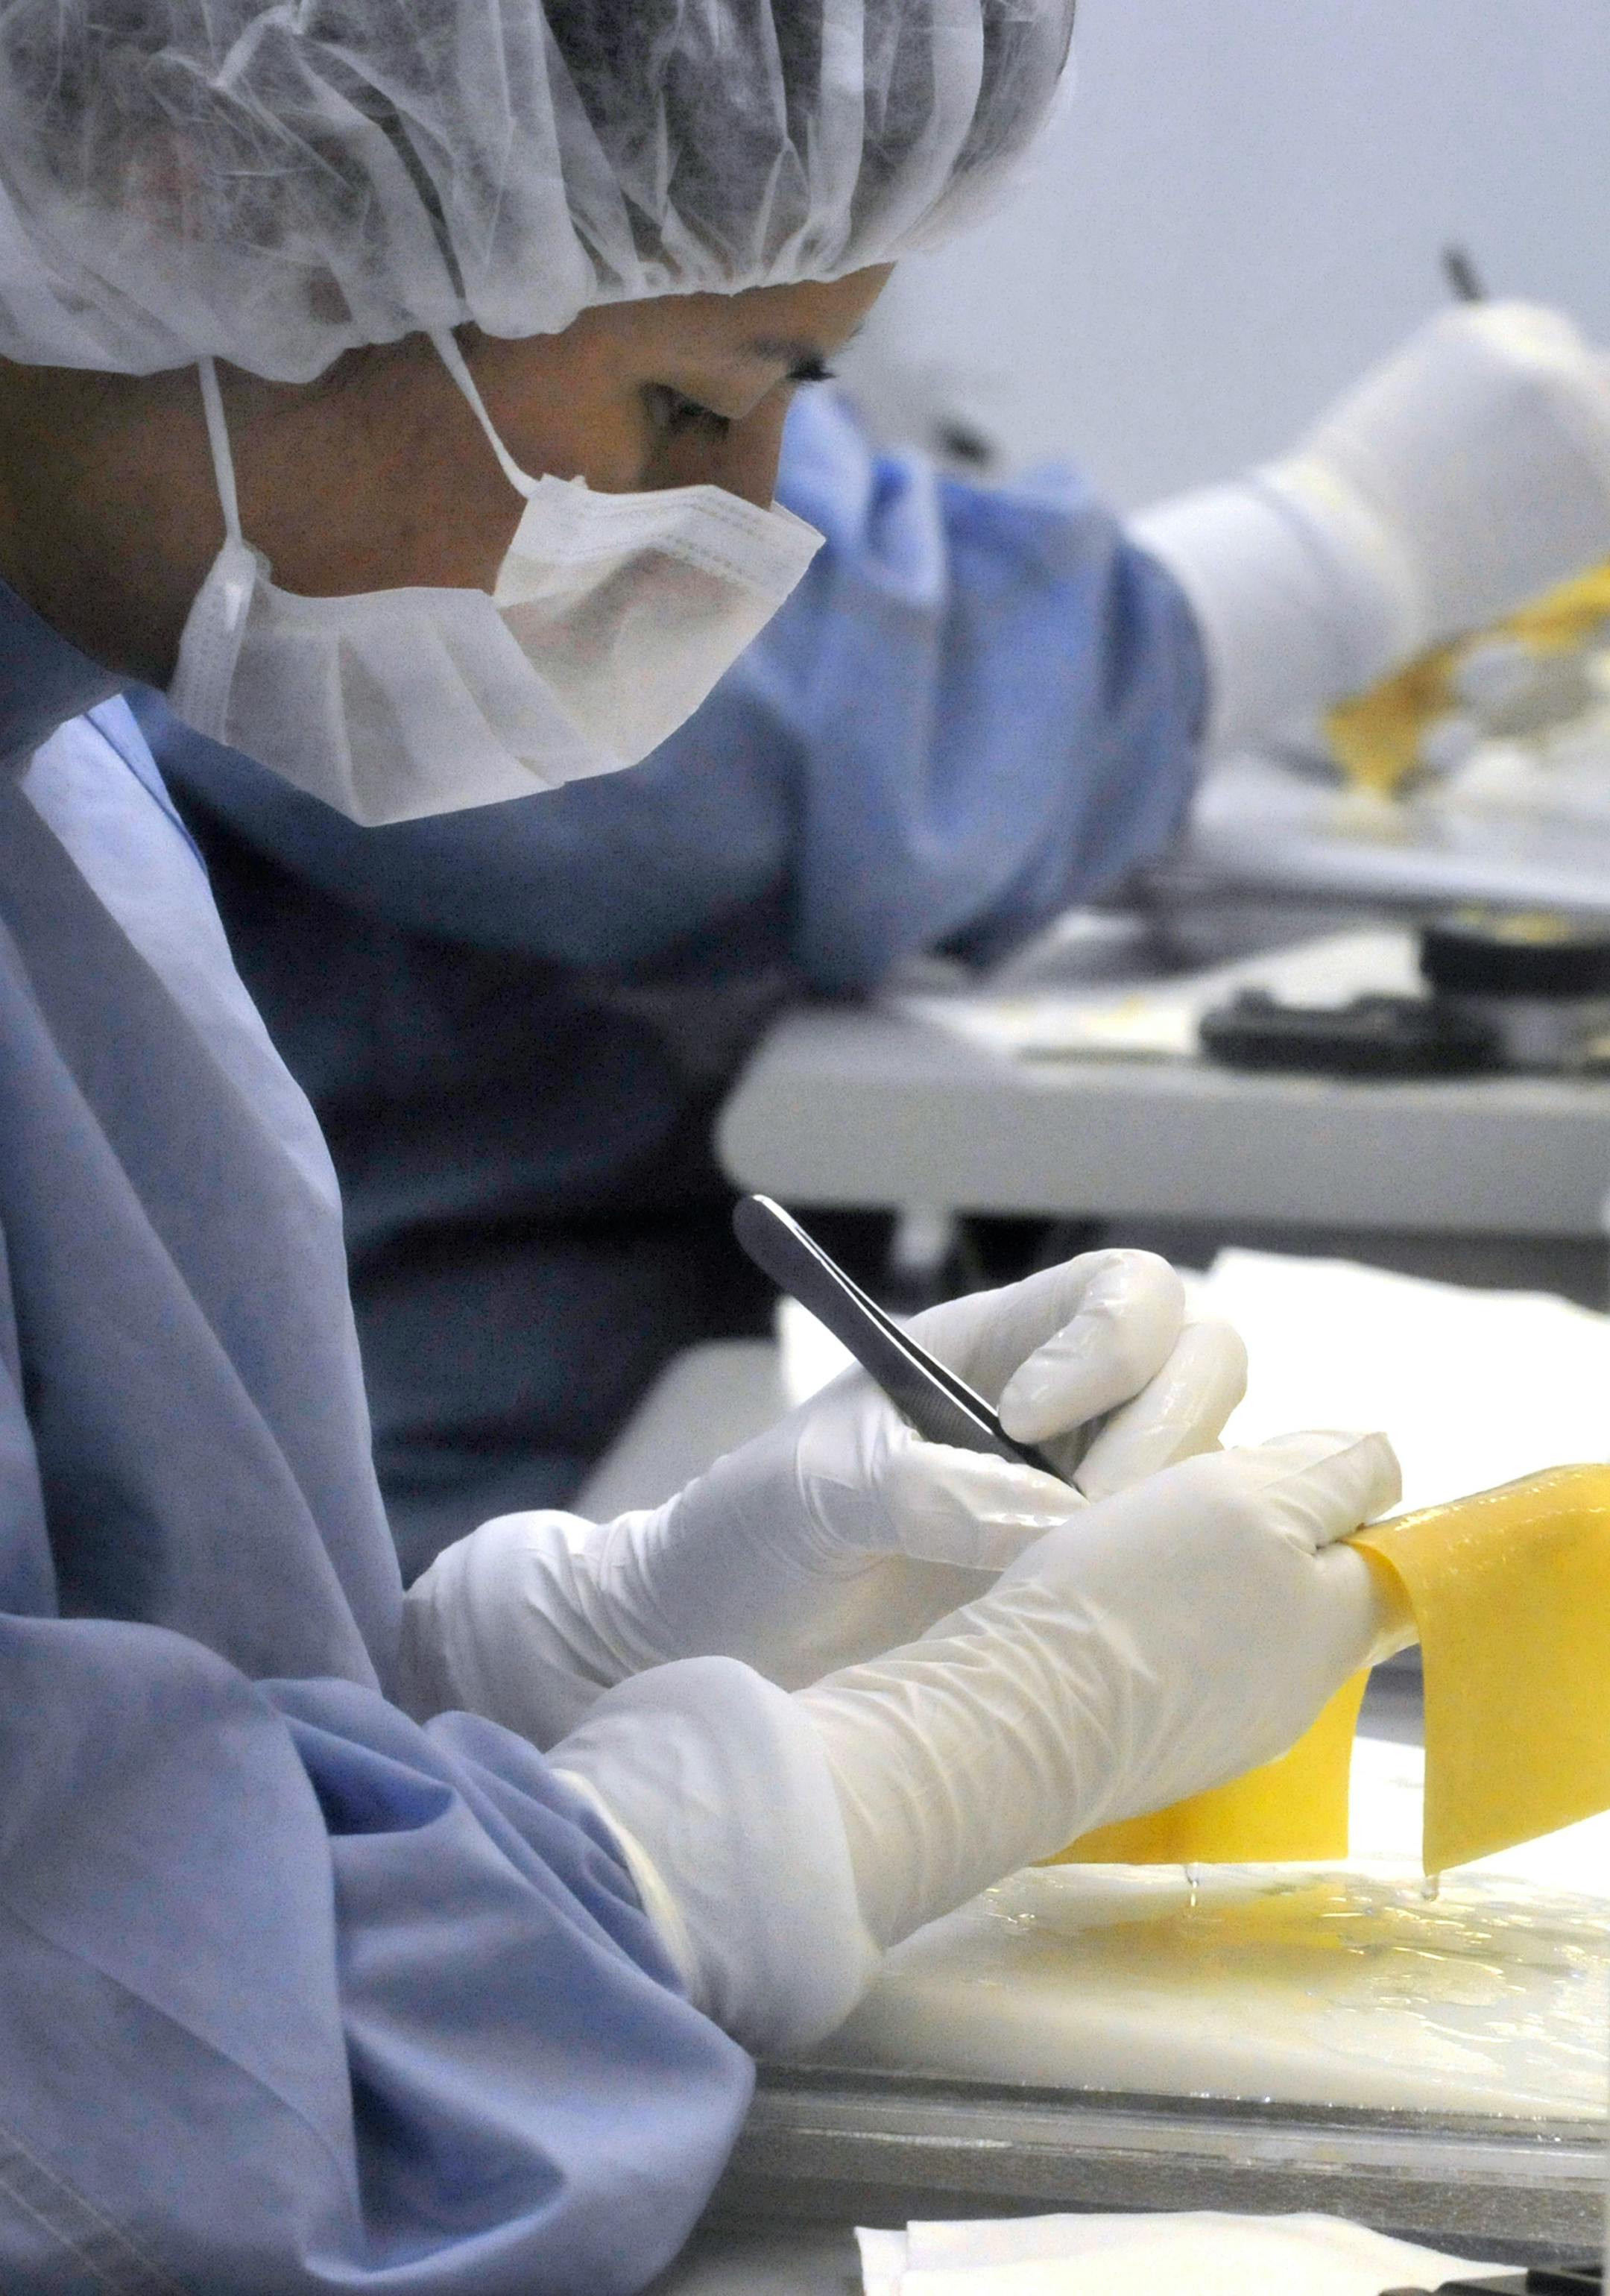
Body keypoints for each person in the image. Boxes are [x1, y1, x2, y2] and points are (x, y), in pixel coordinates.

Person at [0, 0, 1600, 2282]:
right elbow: (98, 2110)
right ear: (198, 206)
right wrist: (855, 1791)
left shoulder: (67, 768)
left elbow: (92, 1724)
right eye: (690, 404)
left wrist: (550, 1658)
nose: (745, 541)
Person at [142, 291, 1610, 1577]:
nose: (759, 503)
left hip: (530, 1468)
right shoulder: (230, 526)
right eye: (695, 397)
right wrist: (1334, 555)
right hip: (396, 1506)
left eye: (803, 386)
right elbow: (757, 760)